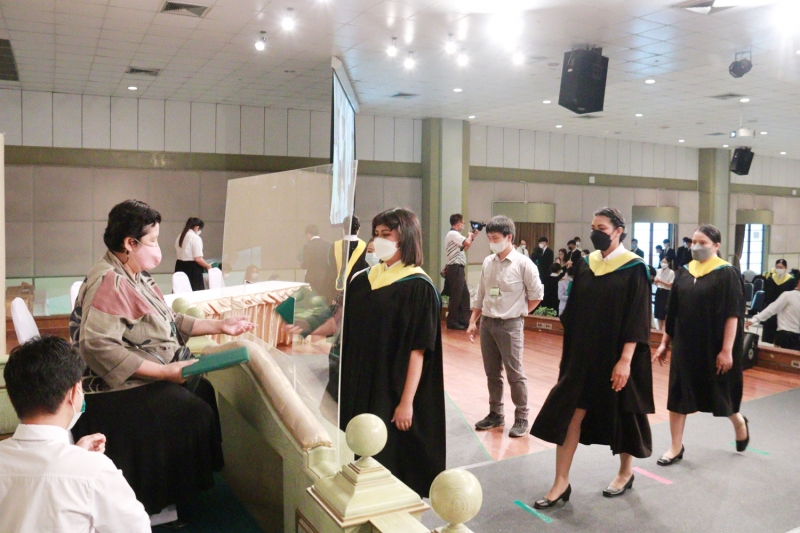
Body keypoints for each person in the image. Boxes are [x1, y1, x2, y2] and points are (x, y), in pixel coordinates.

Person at [70, 199, 257, 525]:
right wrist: (163, 372)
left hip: (144, 375)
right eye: (153, 241)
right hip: (112, 390)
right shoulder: (110, 281)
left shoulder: (135, 274)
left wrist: (220, 325)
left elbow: (171, 320)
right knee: (192, 412)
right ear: (130, 243)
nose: (158, 248)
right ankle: (160, 500)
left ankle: (182, 492)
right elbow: (96, 345)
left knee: (203, 392)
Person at [530, 207, 654, 508]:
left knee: (623, 413)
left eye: (602, 228)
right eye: (593, 227)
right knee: (572, 411)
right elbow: (573, 311)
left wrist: (625, 360)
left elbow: (637, 318)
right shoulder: (586, 264)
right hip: (584, 354)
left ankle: (625, 472)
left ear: (618, 231)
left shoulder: (635, 268)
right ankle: (561, 481)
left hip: (618, 355)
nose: (595, 233)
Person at [339, 208, 445, 498]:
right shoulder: (363, 279)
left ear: (406, 237)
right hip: (358, 380)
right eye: (376, 234)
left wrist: (406, 402)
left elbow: (418, 350)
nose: (378, 241)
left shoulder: (419, 287)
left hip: (390, 386)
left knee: (385, 453)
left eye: (386, 234)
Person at [0, 336, 151, 533]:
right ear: (73, 393)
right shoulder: (94, 471)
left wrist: (74, 454)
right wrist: (78, 459)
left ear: (12, 399)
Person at [652, 224, 749, 467]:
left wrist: (726, 351)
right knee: (678, 393)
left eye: (702, 243)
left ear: (716, 246)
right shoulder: (684, 272)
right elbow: (673, 311)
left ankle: (739, 423)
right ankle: (675, 446)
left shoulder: (727, 273)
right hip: (685, 345)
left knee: (719, 394)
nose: (696, 247)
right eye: (694, 242)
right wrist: (665, 342)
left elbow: (733, 315)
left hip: (714, 345)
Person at [467, 216, 544, 438]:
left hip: (510, 325)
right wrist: (473, 321)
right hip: (487, 324)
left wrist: (519, 311)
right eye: (489, 238)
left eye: (495, 238)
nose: (492, 242)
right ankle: (496, 414)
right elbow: (481, 293)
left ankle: (522, 417)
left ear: (509, 237)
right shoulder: (488, 262)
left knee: (515, 373)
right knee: (492, 373)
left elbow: (537, 295)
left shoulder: (523, 264)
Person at [746, 275, 800, 350]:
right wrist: (755, 319)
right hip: (784, 335)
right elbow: (772, 309)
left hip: (797, 337)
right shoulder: (788, 295)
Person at [444, 214, 479, 330]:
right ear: (458, 223)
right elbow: (467, 243)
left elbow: (465, 247)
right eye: (463, 223)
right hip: (455, 268)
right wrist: (470, 235)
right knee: (456, 295)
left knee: (464, 295)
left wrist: (472, 237)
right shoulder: (453, 234)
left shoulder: (455, 235)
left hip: (458, 268)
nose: (463, 225)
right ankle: (452, 321)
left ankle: (464, 321)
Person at [325, 215, 369, 303]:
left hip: (336, 291)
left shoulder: (334, 246)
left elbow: (330, 268)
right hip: (357, 291)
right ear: (358, 228)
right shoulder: (365, 246)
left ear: (343, 228)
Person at [760, 260, 796, 344]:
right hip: (771, 306)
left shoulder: (791, 280)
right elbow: (766, 293)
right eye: (777, 267)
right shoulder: (770, 278)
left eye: (781, 267)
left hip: (784, 309)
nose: (779, 269)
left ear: (786, 268)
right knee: (769, 332)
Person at [174, 217, 212, 291]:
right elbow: (198, 258)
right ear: (196, 227)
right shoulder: (195, 238)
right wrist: (207, 266)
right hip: (192, 268)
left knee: (180, 290)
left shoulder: (180, 236)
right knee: (194, 290)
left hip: (179, 265)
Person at [300, 224, 331, 296]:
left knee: (312, 299)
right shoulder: (328, 245)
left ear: (308, 234)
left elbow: (305, 265)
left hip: (312, 280)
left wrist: (301, 264)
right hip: (325, 278)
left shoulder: (307, 246)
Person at [654, 258, 675, 330]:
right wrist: (656, 282)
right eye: (662, 262)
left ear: (668, 263)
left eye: (665, 262)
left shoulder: (671, 272)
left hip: (666, 292)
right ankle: (659, 329)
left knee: (665, 312)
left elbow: (671, 284)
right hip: (659, 291)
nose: (663, 263)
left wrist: (660, 281)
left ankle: (665, 329)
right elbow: (656, 282)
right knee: (658, 311)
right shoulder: (658, 270)